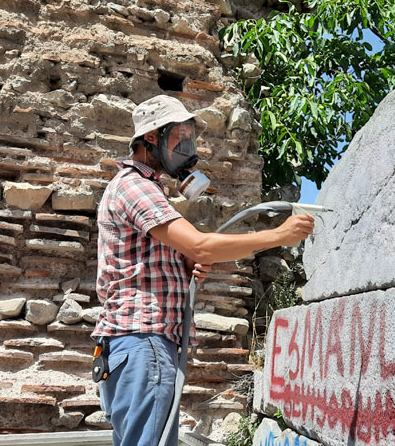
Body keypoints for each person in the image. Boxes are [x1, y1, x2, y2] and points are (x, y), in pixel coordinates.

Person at [91, 95, 313, 446]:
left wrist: (184, 267)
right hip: (144, 340)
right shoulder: (136, 186)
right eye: (181, 136)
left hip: (134, 344)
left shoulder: (142, 188)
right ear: (153, 137)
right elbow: (200, 244)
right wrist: (279, 235)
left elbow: (157, 260)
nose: (189, 147)